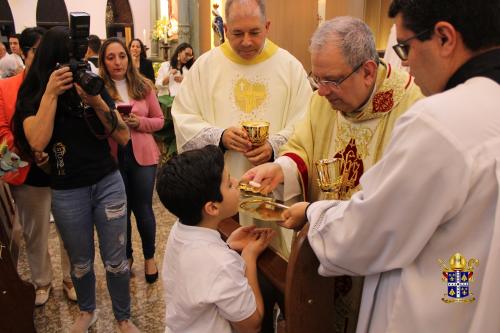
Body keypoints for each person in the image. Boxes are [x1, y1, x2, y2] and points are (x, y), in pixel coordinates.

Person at [268, 0, 500, 332]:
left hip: (428, 309)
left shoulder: (435, 119)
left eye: (404, 47)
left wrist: (312, 214)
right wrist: (283, 168)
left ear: (445, 39)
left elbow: (369, 231)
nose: (406, 64)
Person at [12, 27, 139, 332]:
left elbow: (123, 136)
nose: (76, 69)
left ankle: (123, 317)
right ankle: (87, 311)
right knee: (80, 261)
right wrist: (52, 93)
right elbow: (38, 142)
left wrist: (95, 100)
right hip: (68, 189)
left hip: (108, 182)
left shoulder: (89, 83)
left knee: (117, 260)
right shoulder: (32, 94)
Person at [172, 0, 312, 180]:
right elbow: (184, 116)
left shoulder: (290, 68)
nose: (246, 42)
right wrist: (220, 137)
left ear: (267, 26)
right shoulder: (205, 67)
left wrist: (273, 147)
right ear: (226, 29)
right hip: (221, 190)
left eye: (254, 32)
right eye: (237, 33)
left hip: (273, 188)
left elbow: (305, 124)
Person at [157, 145, 275, 333]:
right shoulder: (221, 264)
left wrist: (227, 246)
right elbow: (251, 325)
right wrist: (249, 257)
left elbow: (201, 271)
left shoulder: (179, 229)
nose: (237, 182)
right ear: (212, 207)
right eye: (229, 184)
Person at [0, 27, 77, 306]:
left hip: (62, 167)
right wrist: (32, 151)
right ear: (25, 51)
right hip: (28, 170)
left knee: (70, 227)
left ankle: (71, 278)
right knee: (35, 231)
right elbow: (2, 132)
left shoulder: (66, 82)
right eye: (38, 50)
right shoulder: (7, 87)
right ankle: (41, 281)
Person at [100, 37, 164, 283]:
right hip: (113, 155)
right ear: (104, 63)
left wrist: (140, 123)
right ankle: (126, 257)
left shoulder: (143, 86)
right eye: (111, 57)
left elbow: (159, 120)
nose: (118, 62)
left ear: (129, 57)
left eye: (122, 56)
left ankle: (150, 257)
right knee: (121, 211)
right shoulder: (100, 89)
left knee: (144, 208)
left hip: (143, 154)